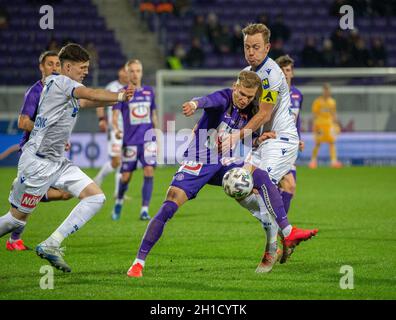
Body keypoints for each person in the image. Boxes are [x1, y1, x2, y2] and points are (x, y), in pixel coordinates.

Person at [127, 70, 278, 277]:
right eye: (241, 93)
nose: (244, 99)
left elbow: (246, 140)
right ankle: (138, 263)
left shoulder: (251, 111)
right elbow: (208, 100)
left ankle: (277, 228)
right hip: (199, 159)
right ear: (235, 87)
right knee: (169, 206)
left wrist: (258, 140)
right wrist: (194, 104)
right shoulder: (224, 98)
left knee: (259, 178)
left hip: (223, 163)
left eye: (249, 96)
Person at [0, 43, 135, 272]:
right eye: (82, 67)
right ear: (68, 67)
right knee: (16, 220)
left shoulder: (66, 87)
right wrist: (120, 95)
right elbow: (89, 93)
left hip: (57, 162)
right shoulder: (60, 81)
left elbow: (86, 101)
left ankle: (51, 244)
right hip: (38, 163)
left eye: (87, 67)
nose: (86, 72)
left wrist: (115, 100)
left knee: (95, 197)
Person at [224, 23, 317, 268]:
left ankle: (283, 235)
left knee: (260, 179)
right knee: (238, 189)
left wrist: (237, 136)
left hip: (282, 139)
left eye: (256, 47)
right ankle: (281, 234)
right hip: (262, 142)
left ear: (267, 47)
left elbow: (264, 114)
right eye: (247, 47)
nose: (251, 52)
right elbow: (239, 106)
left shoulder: (272, 74)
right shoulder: (246, 73)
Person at [6, 51, 73, 251]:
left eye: (58, 64)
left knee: (66, 193)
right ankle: (14, 239)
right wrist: (47, 133)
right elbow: (23, 121)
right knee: (30, 201)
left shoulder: (60, 92)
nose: (54, 68)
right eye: (50, 64)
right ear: (41, 68)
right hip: (34, 154)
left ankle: (22, 191)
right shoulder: (35, 91)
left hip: (52, 155)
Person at [111, 59, 159, 221]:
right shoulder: (122, 93)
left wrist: (156, 133)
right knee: (126, 177)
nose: (135, 74)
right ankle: (119, 200)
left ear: (141, 72)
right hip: (130, 141)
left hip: (148, 140)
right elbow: (115, 115)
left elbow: (153, 114)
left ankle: (144, 210)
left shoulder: (149, 91)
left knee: (149, 170)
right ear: (127, 73)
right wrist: (117, 130)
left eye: (138, 70)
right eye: (132, 71)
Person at [275, 54, 304, 214]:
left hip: (290, 144)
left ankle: (274, 221)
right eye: (282, 70)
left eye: (288, 70)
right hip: (276, 145)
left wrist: (298, 138)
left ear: (292, 73)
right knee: (289, 185)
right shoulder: (273, 94)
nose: (285, 73)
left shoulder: (298, 95)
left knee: (289, 190)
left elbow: (297, 120)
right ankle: (282, 227)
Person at [94, 66, 128, 197]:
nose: (126, 74)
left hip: (129, 130)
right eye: (124, 71)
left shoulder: (132, 88)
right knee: (117, 161)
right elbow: (100, 102)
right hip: (115, 129)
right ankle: (99, 179)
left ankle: (118, 192)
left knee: (123, 161)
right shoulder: (112, 87)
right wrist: (101, 119)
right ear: (119, 72)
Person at [309, 83, 342, 168]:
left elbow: (333, 114)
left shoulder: (332, 102)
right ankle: (313, 161)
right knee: (317, 143)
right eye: (325, 90)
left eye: (328, 90)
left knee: (331, 142)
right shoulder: (318, 101)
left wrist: (336, 124)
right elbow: (314, 114)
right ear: (323, 91)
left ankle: (334, 162)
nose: (327, 92)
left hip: (329, 125)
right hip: (319, 125)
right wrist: (314, 126)